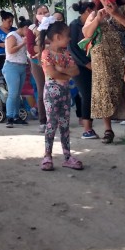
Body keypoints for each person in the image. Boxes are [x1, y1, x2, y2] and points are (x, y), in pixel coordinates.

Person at [82, 0, 125, 143]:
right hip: (102, 61)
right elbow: (86, 33)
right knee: (104, 94)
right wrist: (97, 20)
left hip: (124, 58)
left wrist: (116, 14)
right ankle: (108, 130)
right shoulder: (95, 14)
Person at [40, 21, 83, 171]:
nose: (70, 39)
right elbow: (52, 73)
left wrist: (60, 68)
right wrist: (65, 71)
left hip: (64, 93)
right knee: (51, 123)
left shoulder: (66, 54)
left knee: (65, 125)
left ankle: (67, 156)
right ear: (57, 37)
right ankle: (47, 155)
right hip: (52, 93)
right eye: (67, 36)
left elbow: (76, 71)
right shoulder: (46, 53)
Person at [69, 0, 97, 139]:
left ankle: (88, 125)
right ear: (87, 11)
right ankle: (87, 129)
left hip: (93, 63)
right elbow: (72, 48)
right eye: (94, 10)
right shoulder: (74, 25)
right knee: (87, 94)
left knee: (91, 95)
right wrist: (86, 63)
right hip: (79, 66)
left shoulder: (96, 23)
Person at [3, 17, 31, 128]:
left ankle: (16, 116)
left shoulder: (22, 37)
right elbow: (11, 50)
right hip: (11, 66)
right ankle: (9, 117)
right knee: (13, 93)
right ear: (25, 28)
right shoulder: (12, 35)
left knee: (18, 94)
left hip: (22, 66)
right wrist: (23, 43)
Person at [29, 5, 51, 133]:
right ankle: (43, 121)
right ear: (35, 15)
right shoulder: (32, 29)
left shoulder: (54, 26)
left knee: (57, 88)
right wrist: (47, 46)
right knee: (42, 90)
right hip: (37, 62)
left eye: (45, 12)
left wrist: (44, 45)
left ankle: (56, 119)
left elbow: (60, 41)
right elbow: (31, 48)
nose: (43, 14)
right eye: (40, 12)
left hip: (54, 61)